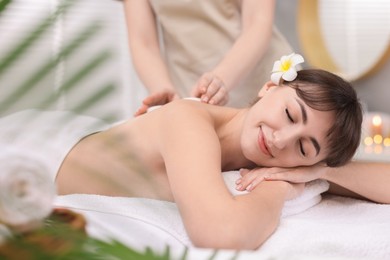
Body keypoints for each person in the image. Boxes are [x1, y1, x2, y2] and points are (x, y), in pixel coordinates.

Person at [55, 65, 363, 250]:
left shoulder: (285, 164)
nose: (280, 139)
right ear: (270, 87)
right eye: (289, 114)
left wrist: (325, 174)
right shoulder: (188, 119)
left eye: (304, 148)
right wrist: (278, 188)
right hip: (41, 159)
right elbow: (222, 235)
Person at [121, 0, 293, 115]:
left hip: (258, 83)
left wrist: (220, 80)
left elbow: (258, 22)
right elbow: (143, 42)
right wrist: (162, 89)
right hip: (188, 91)